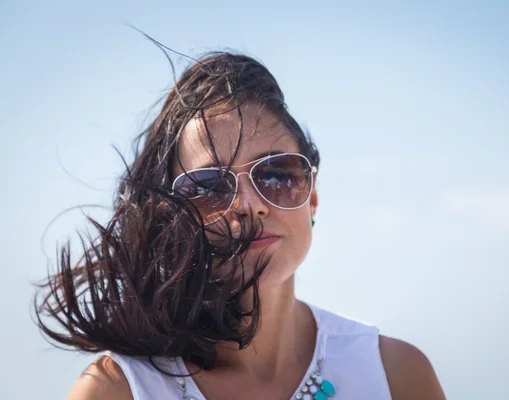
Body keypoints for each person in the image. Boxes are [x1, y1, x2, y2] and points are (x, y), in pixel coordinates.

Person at [35, 51, 446, 400]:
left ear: (312, 197)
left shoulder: (396, 375)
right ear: (172, 219)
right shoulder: (119, 390)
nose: (250, 206)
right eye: (210, 186)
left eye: (278, 175)